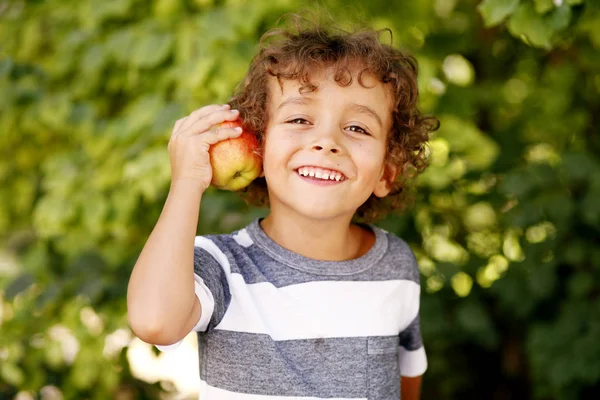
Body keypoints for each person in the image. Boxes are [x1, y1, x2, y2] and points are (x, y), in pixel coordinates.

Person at [127, 14, 438, 400]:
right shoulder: (221, 265)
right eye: (299, 118)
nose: (326, 141)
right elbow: (155, 321)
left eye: (357, 128)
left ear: (386, 173)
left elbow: (407, 382)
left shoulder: (396, 265)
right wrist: (187, 183)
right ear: (258, 147)